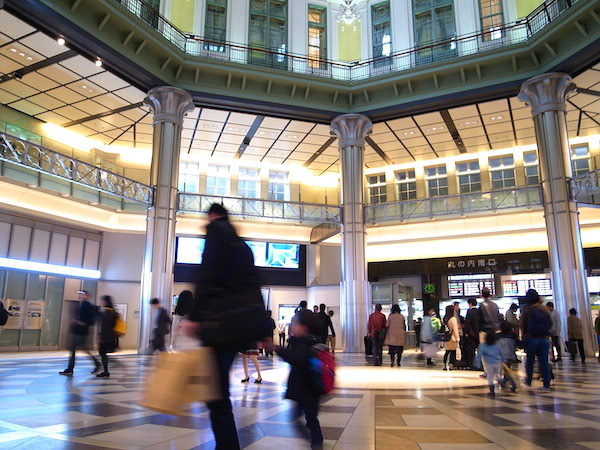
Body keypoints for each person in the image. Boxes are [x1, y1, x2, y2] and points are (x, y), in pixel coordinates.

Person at [184, 203, 272, 450]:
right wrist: (265, 330)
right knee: (218, 391)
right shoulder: (243, 246)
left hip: (217, 326)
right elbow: (255, 286)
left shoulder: (215, 232)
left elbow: (206, 273)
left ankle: (227, 445)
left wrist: (194, 316)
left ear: (212, 215)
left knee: (215, 394)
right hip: (239, 327)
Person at [276, 309, 323, 450]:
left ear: (304, 327)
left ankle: (316, 443)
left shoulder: (304, 344)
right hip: (308, 390)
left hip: (307, 390)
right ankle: (315, 440)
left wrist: (279, 350)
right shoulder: (308, 342)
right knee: (307, 418)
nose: (293, 326)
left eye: (295, 323)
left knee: (309, 419)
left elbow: (296, 358)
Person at [60, 290, 99, 376]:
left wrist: (84, 323)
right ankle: (71, 368)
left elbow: (92, 318)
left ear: (87, 296)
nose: (80, 296)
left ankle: (71, 368)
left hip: (82, 331)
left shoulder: (87, 305)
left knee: (78, 349)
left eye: (82, 294)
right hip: (77, 330)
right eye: (80, 294)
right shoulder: (80, 305)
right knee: (77, 349)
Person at [520, 289, 552, 391]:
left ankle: (528, 380)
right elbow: (550, 323)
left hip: (531, 338)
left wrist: (523, 336)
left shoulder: (526, 309)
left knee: (530, 360)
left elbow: (522, 324)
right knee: (544, 361)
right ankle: (546, 384)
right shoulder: (544, 308)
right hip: (544, 338)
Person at [96, 295, 119, 378]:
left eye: (102, 301)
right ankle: (106, 371)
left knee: (103, 353)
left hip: (106, 337)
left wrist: (101, 338)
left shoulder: (107, 312)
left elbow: (105, 326)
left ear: (105, 302)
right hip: (111, 336)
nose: (101, 302)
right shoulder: (113, 312)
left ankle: (106, 371)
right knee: (104, 353)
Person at [478, 331, 504, 397]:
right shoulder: (497, 345)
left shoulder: (483, 345)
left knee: (490, 377)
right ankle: (501, 381)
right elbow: (501, 353)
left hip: (489, 363)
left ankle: (492, 391)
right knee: (497, 374)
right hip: (497, 362)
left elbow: (480, 354)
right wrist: (503, 359)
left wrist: (477, 362)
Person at [464, 298, 480, 369]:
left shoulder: (469, 312)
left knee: (471, 350)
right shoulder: (479, 311)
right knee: (479, 349)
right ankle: (480, 364)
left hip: (471, 334)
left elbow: (467, 323)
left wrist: (466, 332)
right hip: (479, 333)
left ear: (470, 304)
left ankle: (472, 364)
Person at [442, 305, 460, 371]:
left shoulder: (445, 318)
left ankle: (444, 365)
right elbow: (455, 329)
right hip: (452, 338)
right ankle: (451, 365)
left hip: (446, 337)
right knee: (453, 352)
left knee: (447, 352)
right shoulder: (453, 319)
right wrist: (457, 338)